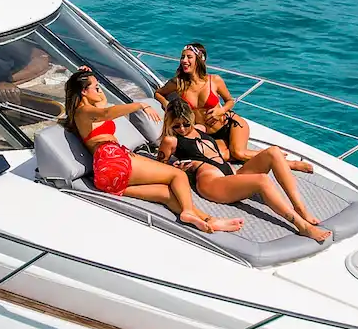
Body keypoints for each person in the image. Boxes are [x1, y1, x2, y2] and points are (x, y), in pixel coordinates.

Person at [65, 68, 241, 235]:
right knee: (176, 175)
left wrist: (86, 75)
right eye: (96, 87)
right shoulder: (84, 111)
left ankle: (209, 220)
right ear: (83, 92)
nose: (100, 89)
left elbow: (101, 104)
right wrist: (139, 105)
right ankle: (187, 211)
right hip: (111, 159)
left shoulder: (88, 111)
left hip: (107, 175)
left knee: (166, 193)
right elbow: (106, 113)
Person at [159, 97, 330, 242]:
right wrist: (180, 168)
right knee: (262, 180)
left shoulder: (200, 129)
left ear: (191, 118)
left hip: (231, 175)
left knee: (273, 152)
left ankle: (299, 207)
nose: (181, 129)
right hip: (212, 183)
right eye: (176, 126)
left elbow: (224, 121)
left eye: (185, 124)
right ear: (170, 124)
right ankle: (302, 226)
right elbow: (161, 168)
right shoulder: (170, 141)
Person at [156, 41, 312, 172]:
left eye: (189, 57)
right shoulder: (178, 83)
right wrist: (168, 104)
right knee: (221, 156)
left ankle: (289, 163)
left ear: (199, 60)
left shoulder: (214, 80)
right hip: (209, 135)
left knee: (238, 153)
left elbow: (230, 100)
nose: (184, 60)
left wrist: (221, 110)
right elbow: (159, 93)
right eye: (183, 57)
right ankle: (269, 154)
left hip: (230, 125)